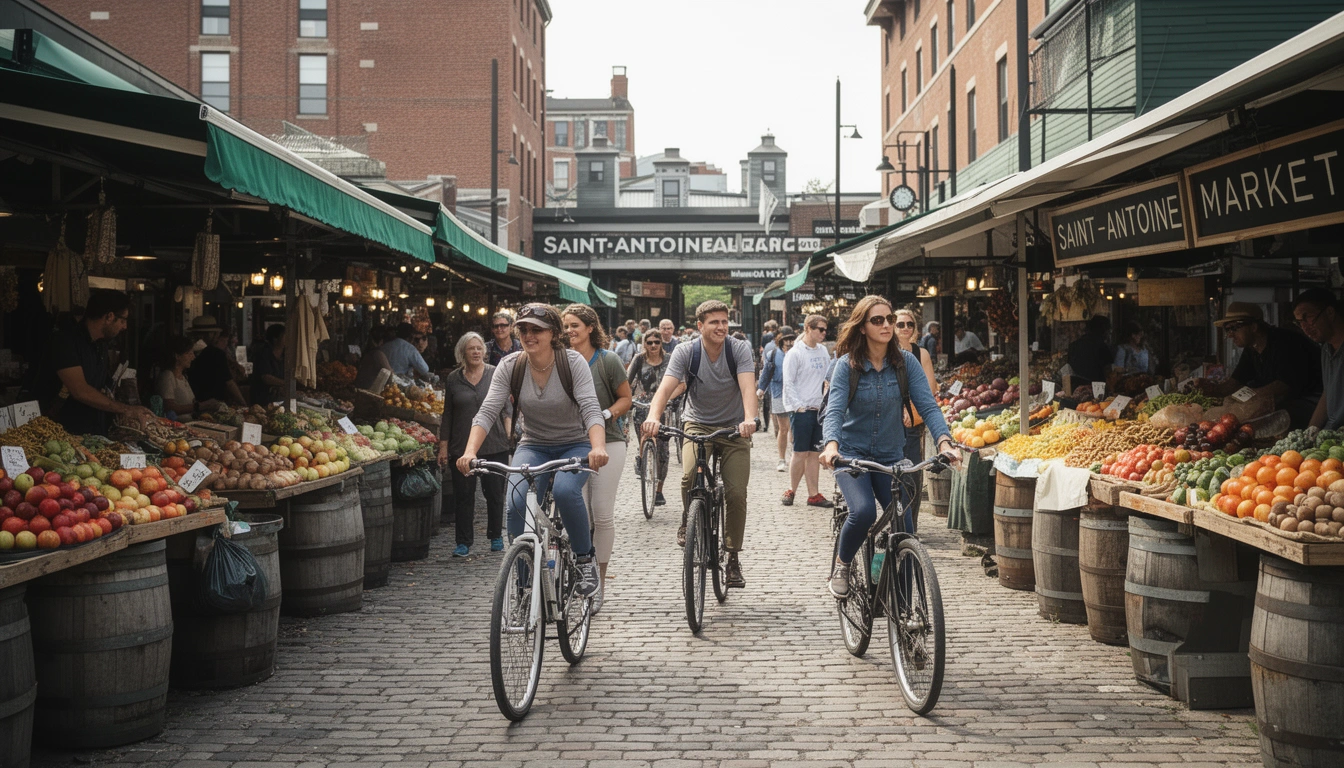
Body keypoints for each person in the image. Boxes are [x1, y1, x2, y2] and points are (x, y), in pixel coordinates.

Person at [457, 303, 608, 597]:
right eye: (523, 329)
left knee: (565, 490)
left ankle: (584, 558)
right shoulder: (511, 365)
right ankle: (525, 586)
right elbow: (488, 409)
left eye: (536, 329)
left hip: (575, 442)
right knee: (515, 502)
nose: (528, 335)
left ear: (553, 333)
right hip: (534, 443)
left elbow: (591, 408)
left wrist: (598, 447)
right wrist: (470, 452)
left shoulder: (572, 362)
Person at [819, 296, 958, 598]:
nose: (886, 325)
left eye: (890, 319)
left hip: (892, 456)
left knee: (904, 528)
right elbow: (834, 410)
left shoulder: (906, 363)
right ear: (862, 327)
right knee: (864, 511)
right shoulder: (847, 366)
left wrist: (945, 441)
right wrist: (831, 446)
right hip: (852, 456)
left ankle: (907, 611)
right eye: (877, 320)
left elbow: (929, 406)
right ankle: (842, 564)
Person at [642, 300, 758, 588]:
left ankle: (732, 557)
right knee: (688, 476)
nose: (721, 327)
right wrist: (654, 417)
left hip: (734, 428)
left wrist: (750, 419)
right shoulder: (686, 351)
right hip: (697, 423)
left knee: (735, 492)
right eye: (714, 322)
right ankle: (689, 517)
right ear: (700, 326)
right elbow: (666, 387)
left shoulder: (738, 349)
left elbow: (747, 387)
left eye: (724, 322)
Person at [562, 304, 633, 614]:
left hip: (609, 441)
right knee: (578, 515)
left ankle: (598, 585)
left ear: (590, 327)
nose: (569, 331)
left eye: (574, 325)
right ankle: (578, 574)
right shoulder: (559, 360)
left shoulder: (607, 360)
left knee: (601, 514)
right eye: (564, 326)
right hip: (570, 443)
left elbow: (626, 398)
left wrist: (605, 414)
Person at [31, 290, 154, 435]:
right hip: (60, 432)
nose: (124, 327)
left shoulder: (101, 344)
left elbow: (98, 386)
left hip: (92, 431)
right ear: (109, 316)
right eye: (123, 320)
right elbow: (80, 390)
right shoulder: (65, 342)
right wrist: (126, 409)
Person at [439, 332, 509, 558]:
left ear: (485, 352)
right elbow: (447, 415)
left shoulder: (495, 373)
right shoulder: (453, 379)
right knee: (464, 496)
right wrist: (443, 446)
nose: (477, 352)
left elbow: (507, 408)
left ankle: (496, 536)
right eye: (471, 349)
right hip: (461, 447)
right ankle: (463, 542)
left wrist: (509, 434)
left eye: (479, 348)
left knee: (495, 494)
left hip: (495, 444)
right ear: (463, 352)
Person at [1201, 302, 1322, 429]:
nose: (1230, 335)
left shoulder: (1285, 343)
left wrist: (1246, 400)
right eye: (1227, 329)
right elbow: (1234, 383)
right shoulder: (1251, 349)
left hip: (1312, 404)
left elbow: (1282, 386)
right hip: (1284, 404)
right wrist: (1211, 389)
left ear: (1253, 326)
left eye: (1234, 328)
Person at [628, 327, 684, 506]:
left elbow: (681, 384)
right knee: (644, 437)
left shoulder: (670, 359)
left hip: (664, 406)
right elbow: (626, 382)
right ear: (644, 343)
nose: (653, 345)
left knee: (662, 451)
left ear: (661, 343)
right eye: (649, 342)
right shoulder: (639, 359)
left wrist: (667, 398)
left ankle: (659, 490)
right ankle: (641, 456)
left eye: (656, 342)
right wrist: (627, 399)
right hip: (643, 404)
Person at [782, 316, 834, 508]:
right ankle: (791, 489)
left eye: (825, 330)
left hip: (818, 408)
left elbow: (827, 378)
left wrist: (826, 402)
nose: (823, 333)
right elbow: (788, 381)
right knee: (800, 452)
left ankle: (813, 494)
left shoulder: (822, 351)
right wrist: (798, 406)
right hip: (802, 409)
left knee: (814, 453)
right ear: (808, 329)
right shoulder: (795, 353)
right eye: (820, 329)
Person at [896, 308, 938, 524]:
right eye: (900, 324)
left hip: (912, 421)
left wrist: (910, 408)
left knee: (912, 472)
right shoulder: (884, 350)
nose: (905, 328)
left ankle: (909, 524)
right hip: (888, 423)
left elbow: (929, 389)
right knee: (890, 473)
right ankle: (891, 520)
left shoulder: (920, 353)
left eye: (909, 324)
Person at [1295, 289, 1344, 430]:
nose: (1305, 327)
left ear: (1329, 312)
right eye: (1299, 322)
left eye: (1308, 317)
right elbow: (1328, 392)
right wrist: (1312, 428)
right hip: (1331, 434)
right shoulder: (1326, 350)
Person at [756, 327, 794, 472]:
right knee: (783, 429)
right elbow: (767, 372)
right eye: (787, 339)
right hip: (778, 393)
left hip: (795, 394)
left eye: (791, 339)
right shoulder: (773, 354)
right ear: (781, 340)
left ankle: (794, 456)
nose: (789, 342)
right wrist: (761, 388)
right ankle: (782, 459)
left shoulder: (797, 352)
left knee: (795, 428)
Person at [186, 315, 246, 408]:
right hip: (214, 403)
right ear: (210, 334)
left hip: (192, 401)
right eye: (216, 333)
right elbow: (229, 382)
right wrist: (243, 403)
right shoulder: (216, 354)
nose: (217, 336)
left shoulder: (188, 351)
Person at [155, 337, 198, 418]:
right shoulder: (167, 376)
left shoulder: (184, 377)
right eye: (189, 353)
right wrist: (200, 406)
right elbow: (169, 407)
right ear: (177, 356)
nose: (193, 357)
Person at [1067, 314, 1113, 388]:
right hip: (1096, 389)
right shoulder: (1102, 347)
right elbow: (1108, 372)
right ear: (1104, 330)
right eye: (1108, 330)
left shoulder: (1074, 345)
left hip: (1075, 387)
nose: (1109, 333)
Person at [249, 323, 286, 406]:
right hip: (262, 399)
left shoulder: (286, 355)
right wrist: (287, 383)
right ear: (275, 338)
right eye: (284, 336)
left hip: (280, 399)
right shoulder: (263, 353)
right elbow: (266, 377)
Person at [353, 325, 394, 390]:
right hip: (366, 391)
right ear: (381, 341)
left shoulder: (372, 352)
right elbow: (390, 374)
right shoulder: (377, 354)